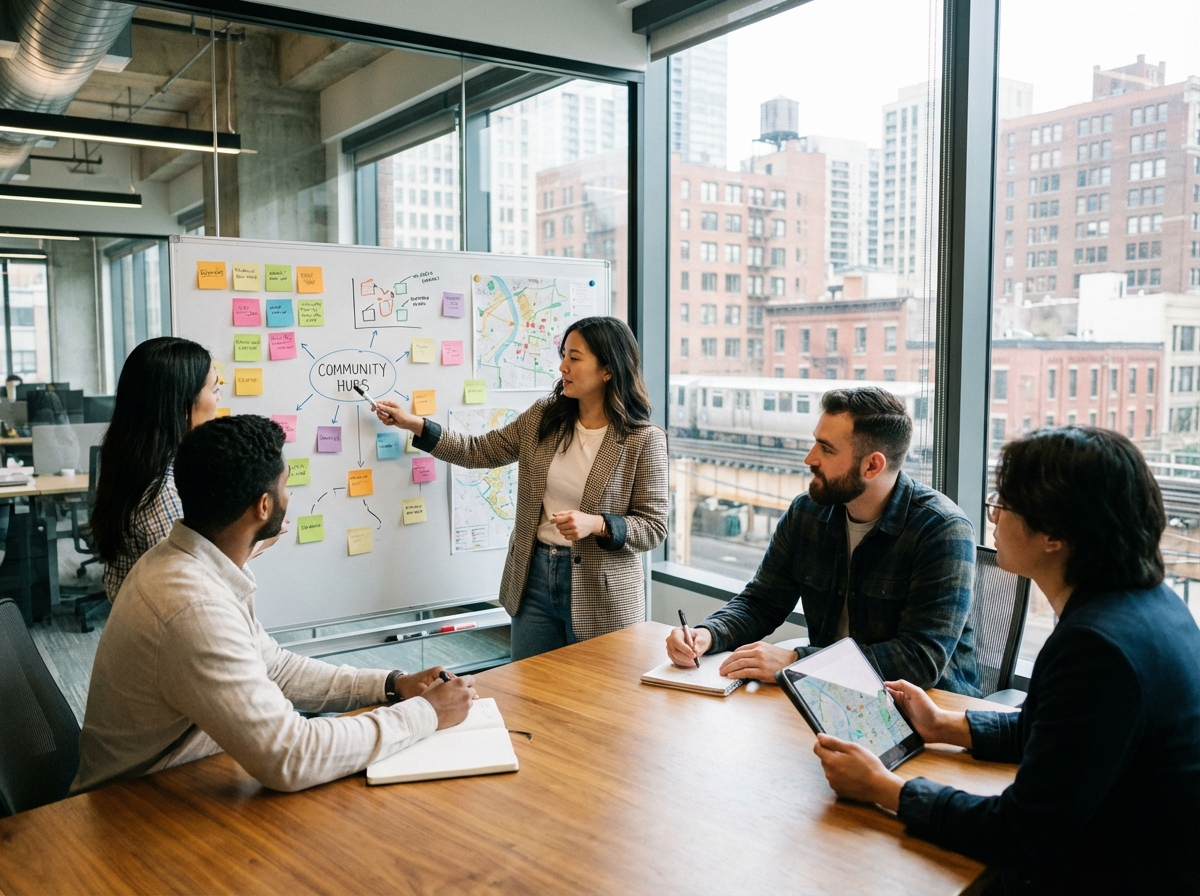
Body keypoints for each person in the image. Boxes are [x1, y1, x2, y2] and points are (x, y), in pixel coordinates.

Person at [813, 427, 1200, 892]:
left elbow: (1021, 832)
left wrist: (882, 788)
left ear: (1054, 533)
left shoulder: (1098, 647)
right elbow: (1063, 735)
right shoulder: (1148, 604)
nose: (992, 514)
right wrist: (945, 725)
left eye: (1004, 503)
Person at [72, 414, 476, 795]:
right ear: (264, 506)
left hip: (182, 779)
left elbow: (275, 668)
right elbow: (290, 756)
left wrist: (391, 685)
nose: (290, 494)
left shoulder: (188, 561)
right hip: (135, 812)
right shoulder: (192, 605)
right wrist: (426, 714)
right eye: (286, 484)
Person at [374, 316, 668, 660]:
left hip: (601, 594)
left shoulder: (643, 440)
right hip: (534, 579)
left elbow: (654, 527)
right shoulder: (545, 416)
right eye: (563, 356)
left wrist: (598, 524)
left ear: (608, 369)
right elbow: (478, 450)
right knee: (529, 695)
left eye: (574, 358)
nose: (562, 367)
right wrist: (416, 424)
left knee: (597, 702)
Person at [665, 386, 980, 695]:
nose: (809, 458)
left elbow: (918, 660)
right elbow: (761, 602)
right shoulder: (808, 512)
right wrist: (707, 634)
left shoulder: (942, 530)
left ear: (872, 465)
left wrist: (796, 661)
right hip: (830, 697)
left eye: (826, 449)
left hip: (926, 711)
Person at [91, 337, 225, 602]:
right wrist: (252, 542)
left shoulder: (133, 460)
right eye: (215, 389)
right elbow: (197, 590)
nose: (219, 399)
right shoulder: (164, 491)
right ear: (183, 407)